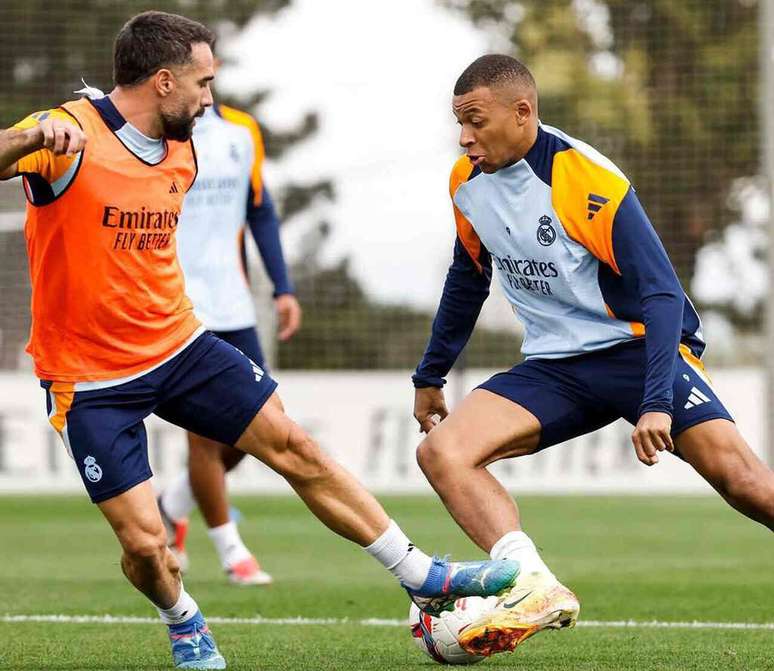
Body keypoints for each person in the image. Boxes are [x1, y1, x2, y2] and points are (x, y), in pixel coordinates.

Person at [0, 14, 520, 669]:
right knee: (146, 547)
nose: (210, 98)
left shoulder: (185, 145)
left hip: (180, 344)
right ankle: (182, 616)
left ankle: (420, 575)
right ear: (164, 81)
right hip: (90, 377)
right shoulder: (66, 131)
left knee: (294, 444)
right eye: (203, 82)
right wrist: (23, 141)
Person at [412, 54, 774, 658]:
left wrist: (656, 401)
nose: (464, 136)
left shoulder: (586, 179)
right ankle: (531, 585)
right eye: (459, 122)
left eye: (476, 120)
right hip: (554, 367)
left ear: (522, 113)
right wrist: (431, 373)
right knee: (442, 453)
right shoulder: (465, 183)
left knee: (745, 483)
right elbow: (468, 275)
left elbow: (660, 294)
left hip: (637, 351)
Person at [157, 87, 302, 586]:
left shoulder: (243, 131)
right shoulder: (163, 133)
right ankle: (231, 552)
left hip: (235, 303)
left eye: (206, 76)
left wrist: (283, 288)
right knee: (204, 435)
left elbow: (259, 208)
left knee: (262, 426)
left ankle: (172, 502)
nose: (202, 86)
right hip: (180, 305)